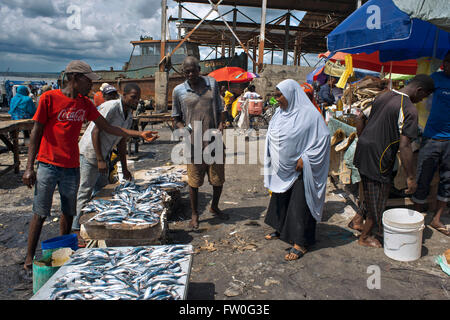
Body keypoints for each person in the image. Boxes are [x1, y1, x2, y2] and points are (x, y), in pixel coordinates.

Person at [21, 60, 157, 273]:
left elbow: (108, 127)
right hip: (48, 164)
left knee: (68, 211)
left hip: (71, 165)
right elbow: (36, 132)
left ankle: (64, 252)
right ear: (74, 78)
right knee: (40, 212)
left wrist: (139, 134)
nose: (91, 86)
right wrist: (29, 167)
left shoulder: (85, 104)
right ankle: (29, 258)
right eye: (88, 81)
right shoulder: (49, 98)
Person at [349, 74, 435, 248]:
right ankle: (365, 236)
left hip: (363, 151)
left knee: (369, 190)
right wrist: (411, 177)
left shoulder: (383, 95)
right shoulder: (409, 109)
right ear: (419, 90)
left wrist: (365, 138)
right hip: (379, 157)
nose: (422, 100)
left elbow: (360, 118)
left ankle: (357, 221)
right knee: (379, 197)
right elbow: (405, 146)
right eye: (424, 96)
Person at [73, 83, 158, 240]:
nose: (136, 101)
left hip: (104, 154)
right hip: (90, 152)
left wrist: (124, 168)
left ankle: (95, 226)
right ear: (123, 95)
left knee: (102, 191)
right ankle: (76, 229)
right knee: (85, 191)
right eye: (133, 97)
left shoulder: (129, 114)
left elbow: (121, 141)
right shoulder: (110, 107)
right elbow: (95, 131)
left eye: (138, 98)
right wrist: (99, 159)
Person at [263, 79, 330, 261]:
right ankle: (280, 229)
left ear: (291, 93)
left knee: (300, 203)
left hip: (301, 168)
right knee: (281, 198)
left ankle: (301, 242)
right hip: (282, 167)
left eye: (279, 95)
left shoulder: (310, 115)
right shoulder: (279, 113)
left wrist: (306, 158)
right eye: (275, 95)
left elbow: (323, 139)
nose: (277, 99)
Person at [172, 56, 228, 230]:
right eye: (187, 71)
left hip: (213, 141)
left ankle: (215, 206)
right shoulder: (179, 91)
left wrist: (221, 124)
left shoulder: (212, 83)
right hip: (194, 145)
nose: (190, 74)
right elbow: (176, 118)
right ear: (183, 72)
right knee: (194, 182)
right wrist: (184, 132)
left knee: (218, 179)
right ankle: (195, 214)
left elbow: (220, 108)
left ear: (199, 69)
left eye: (193, 70)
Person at [412, 51, 450, 236]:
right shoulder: (435, 79)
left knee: (447, 181)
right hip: (432, 137)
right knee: (422, 178)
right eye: (449, 62)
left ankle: (436, 219)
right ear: (444, 63)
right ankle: (416, 218)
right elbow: (417, 90)